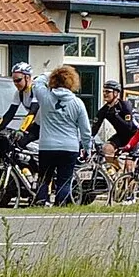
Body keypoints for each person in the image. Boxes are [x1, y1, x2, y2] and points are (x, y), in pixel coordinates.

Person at [29, 64, 93, 205]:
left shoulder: (45, 98)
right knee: (64, 180)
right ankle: (61, 204)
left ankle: (40, 202)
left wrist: (51, 73)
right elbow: (85, 131)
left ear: (53, 80)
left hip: (47, 146)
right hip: (69, 147)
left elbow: (37, 82)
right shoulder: (77, 103)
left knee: (44, 178)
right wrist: (87, 149)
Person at [90, 81, 138, 158]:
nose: (105, 94)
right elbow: (95, 127)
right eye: (104, 91)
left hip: (134, 136)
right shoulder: (104, 110)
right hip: (121, 136)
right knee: (107, 148)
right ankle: (113, 169)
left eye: (108, 91)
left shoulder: (125, 105)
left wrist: (116, 115)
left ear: (116, 93)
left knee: (129, 163)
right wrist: (89, 138)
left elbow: (128, 127)